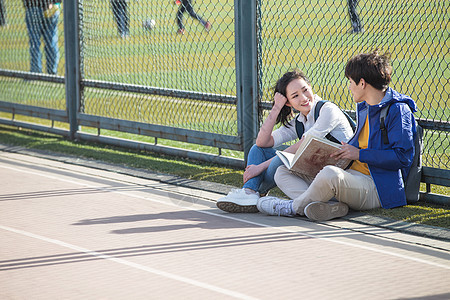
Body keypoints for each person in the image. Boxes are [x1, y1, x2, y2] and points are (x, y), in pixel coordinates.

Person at [257, 50, 417, 222]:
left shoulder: (398, 110)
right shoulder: (365, 107)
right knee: (282, 172)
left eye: (350, 81)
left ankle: (292, 207)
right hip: (350, 174)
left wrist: (358, 154)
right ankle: (323, 206)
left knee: (329, 174)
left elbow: (403, 157)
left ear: (361, 83)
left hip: (377, 187)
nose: (349, 86)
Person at [216, 69, 355, 213]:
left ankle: (252, 192)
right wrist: (276, 107)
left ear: (310, 86)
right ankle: (250, 192)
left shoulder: (328, 110)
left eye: (305, 90)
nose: (303, 98)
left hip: (342, 174)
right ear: (288, 103)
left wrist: (260, 167)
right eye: (295, 96)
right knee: (257, 150)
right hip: (317, 171)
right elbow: (262, 142)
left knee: (280, 160)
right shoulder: (300, 121)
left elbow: (304, 144)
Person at [23, 0, 61, 75]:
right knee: (51, 40)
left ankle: (36, 71)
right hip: (50, 7)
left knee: (35, 42)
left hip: (33, 6)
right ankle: (52, 71)